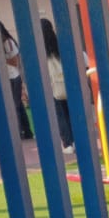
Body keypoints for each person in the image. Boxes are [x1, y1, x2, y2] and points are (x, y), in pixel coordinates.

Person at [40, 18, 73, 152]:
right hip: (66, 83)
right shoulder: (59, 44)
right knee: (70, 112)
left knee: (60, 114)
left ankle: (68, 143)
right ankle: (75, 139)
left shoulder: (40, 49)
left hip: (53, 86)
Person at [0, 20, 32, 140]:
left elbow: (14, 62)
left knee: (14, 106)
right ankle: (27, 132)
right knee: (18, 106)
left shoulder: (8, 42)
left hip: (13, 77)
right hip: (9, 77)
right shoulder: (1, 43)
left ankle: (18, 133)